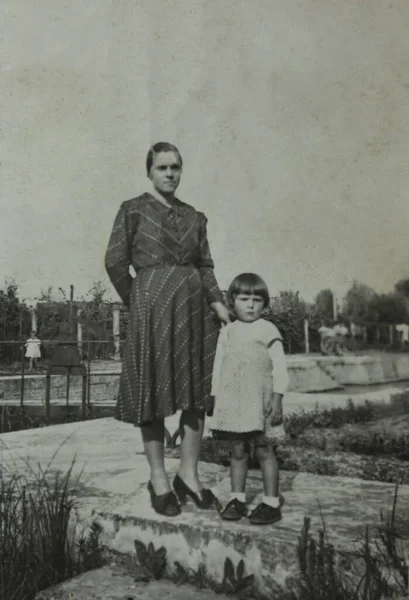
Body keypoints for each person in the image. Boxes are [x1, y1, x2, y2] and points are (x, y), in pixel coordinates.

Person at [105, 142, 230, 517]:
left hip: (195, 313)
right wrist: (140, 301)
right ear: (149, 172)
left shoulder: (195, 216)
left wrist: (220, 306)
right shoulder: (133, 210)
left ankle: (188, 475)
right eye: (162, 168)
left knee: (196, 393)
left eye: (175, 167)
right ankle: (159, 478)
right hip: (152, 312)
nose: (170, 174)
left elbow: (205, 266)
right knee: (152, 391)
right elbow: (114, 262)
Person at [210, 273, 289, 525]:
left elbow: (280, 368)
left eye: (257, 299)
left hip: (261, 402)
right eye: (244, 299)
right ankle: (237, 500)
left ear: (265, 304)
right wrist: (214, 397)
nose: (251, 305)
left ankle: (271, 503)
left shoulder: (268, 330)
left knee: (264, 450)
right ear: (232, 301)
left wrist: (277, 399)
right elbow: (217, 366)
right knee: (237, 451)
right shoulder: (228, 332)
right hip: (234, 402)